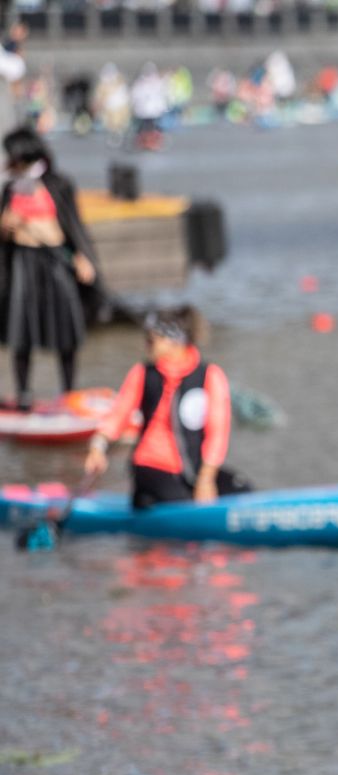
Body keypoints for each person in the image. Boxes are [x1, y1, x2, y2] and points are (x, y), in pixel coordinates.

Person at [83, 307, 248, 510]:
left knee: (243, 491)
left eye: (151, 341)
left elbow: (218, 433)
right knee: (186, 507)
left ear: (173, 341)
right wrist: (97, 449)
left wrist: (206, 479)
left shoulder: (210, 375)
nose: (146, 346)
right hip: (151, 467)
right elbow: (117, 417)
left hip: (192, 467)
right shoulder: (142, 373)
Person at [0, 130, 96, 410]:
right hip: (22, 262)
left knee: (65, 328)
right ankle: (24, 395)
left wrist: (83, 258)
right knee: (21, 330)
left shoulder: (58, 183)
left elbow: (74, 226)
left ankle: (68, 392)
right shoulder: (9, 188)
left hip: (55, 262)